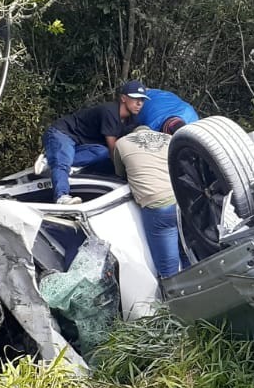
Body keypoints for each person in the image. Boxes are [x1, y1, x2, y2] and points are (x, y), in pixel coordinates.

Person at [42, 81, 147, 204]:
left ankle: (52, 160)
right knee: (63, 162)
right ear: (123, 98)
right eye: (135, 98)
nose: (139, 103)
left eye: (142, 100)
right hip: (63, 133)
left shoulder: (132, 120)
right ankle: (62, 196)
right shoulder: (110, 112)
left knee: (104, 152)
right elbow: (114, 149)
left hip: (83, 145)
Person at [111, 127, 180, 277]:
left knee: (168, 266)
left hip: (158, 204)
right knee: (189, 252)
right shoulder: (168, 138)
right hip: (182, 199)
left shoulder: (121, 143)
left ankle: (174, 296)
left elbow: (120, 174)